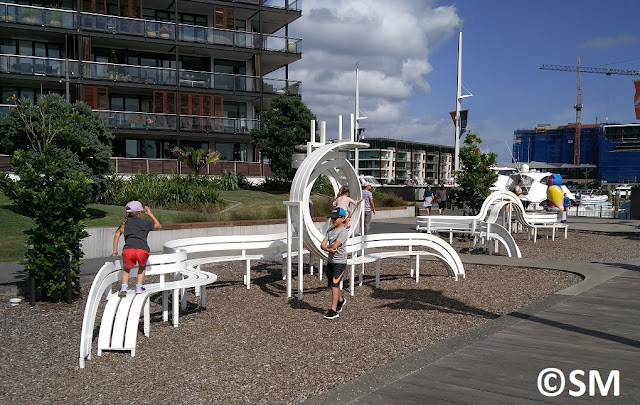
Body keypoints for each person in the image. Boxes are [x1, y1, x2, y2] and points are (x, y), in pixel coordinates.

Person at [110, 201, 162, 296]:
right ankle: (139, 286)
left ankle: (124, 287)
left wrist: (115, 250)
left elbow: (117, 234)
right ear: (140, 212)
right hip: (142, 250)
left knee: (126, 269)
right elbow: (158, 226)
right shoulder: (145, 222)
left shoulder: (125, 223)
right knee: (142, 267)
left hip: (128, 250)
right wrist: (150, 214)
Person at [321, 207, 348, 320]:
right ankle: (341, 300)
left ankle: (333, 310)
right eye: (332, 218)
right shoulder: (330, 231)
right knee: (330, 285)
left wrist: (327, 247)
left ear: (342, 218)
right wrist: (328, 249)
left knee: (334, 284)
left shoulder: (343, 232)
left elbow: (335, 245)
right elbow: (322, 244)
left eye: (335, 218)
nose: (333, 221)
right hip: (331, 261)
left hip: (340, 262)